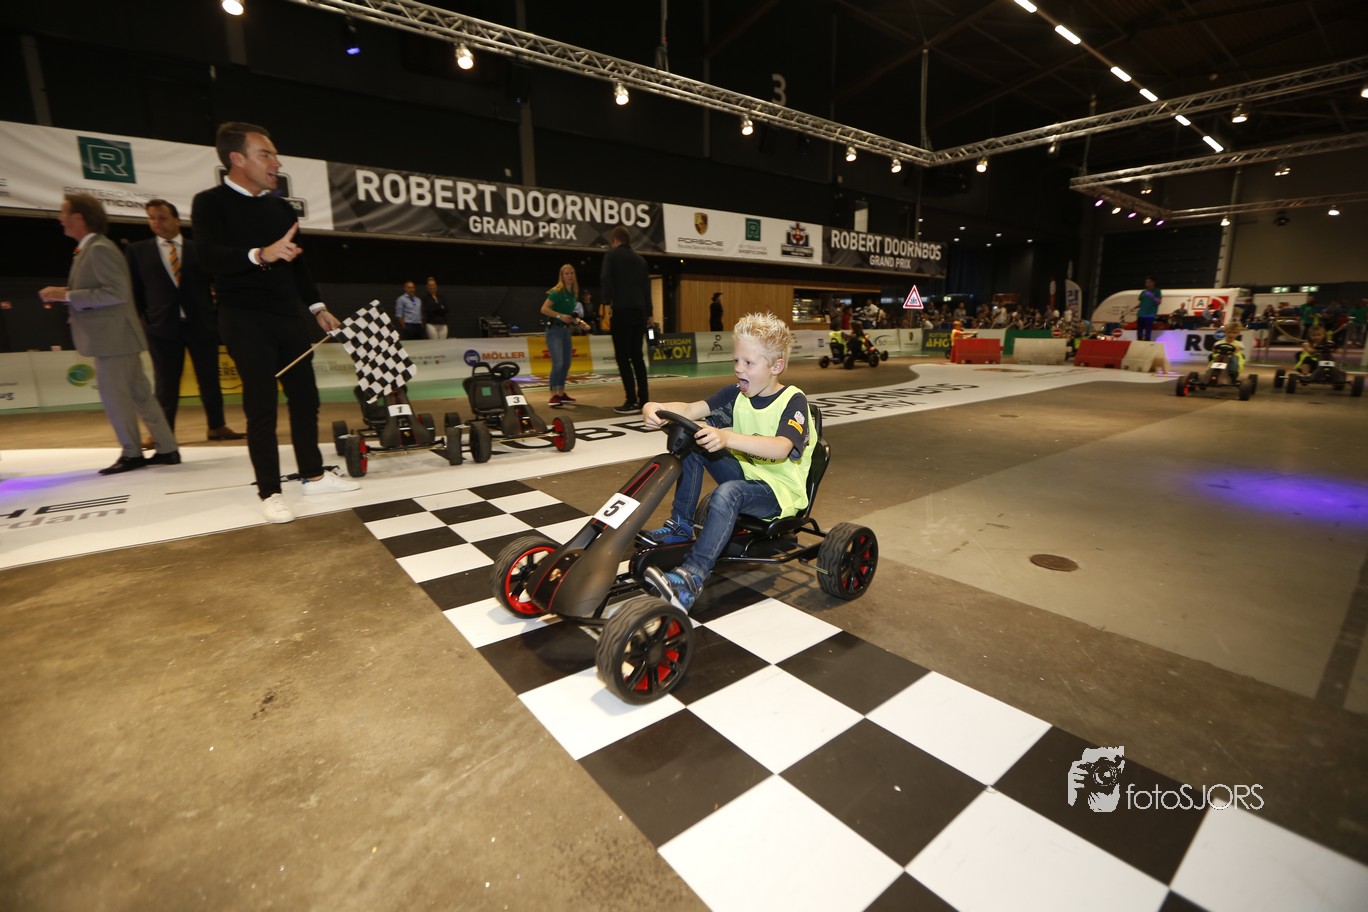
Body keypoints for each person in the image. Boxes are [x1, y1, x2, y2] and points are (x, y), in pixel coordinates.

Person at [190, 121, 358, 524]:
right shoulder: (210, 203)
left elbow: (298, 266)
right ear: (237, 159)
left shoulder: (280, 208)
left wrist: (317, 308)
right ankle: (270, 491)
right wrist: (259, 255)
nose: (276, 163)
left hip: (288, 317)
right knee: (261, 405)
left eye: (274, 155)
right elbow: (208, 257)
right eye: (265, 154)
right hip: (243, 318)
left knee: (306, 399)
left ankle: (313, 476)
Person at [638, 312, 815, 612]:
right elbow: (692, 409)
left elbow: (781, 448)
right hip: (746, 476)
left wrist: (727, 437)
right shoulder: (737, 394)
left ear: (776, 366)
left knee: (728, 493)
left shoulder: (793, 401)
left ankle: (692, 576)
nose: (738, 368)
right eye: (736, 360)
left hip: (779, 492)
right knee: (695, 443)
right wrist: (655, 406)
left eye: (748, 363)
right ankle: (681, 526)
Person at [39, 193, 180, 475]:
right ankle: (167, 449)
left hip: (113, 340)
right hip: (117, 338)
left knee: (117, 398)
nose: (60, 219)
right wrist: (67, 294)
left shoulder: (99, 249)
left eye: (64, 213)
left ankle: (132, 453)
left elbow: (115, 293)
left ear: (79, 218)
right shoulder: (92, 248)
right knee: (141, 395)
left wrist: (66, 295)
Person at [126, 198, 243, 444]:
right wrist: (144, 321)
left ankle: (217, 426)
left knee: (209, 378)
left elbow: (217, 284)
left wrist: (215, 314)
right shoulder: (137, 251)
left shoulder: (198, 249)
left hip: (201, 324)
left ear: (177, 220)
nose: (156, 222)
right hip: (161, 327)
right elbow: (135, 292)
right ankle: (162, 433)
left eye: (162, 217)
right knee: (165, 383)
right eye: (152, 218)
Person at [600, 225, 651, 413]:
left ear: (615, 241)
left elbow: (606, 279)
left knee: (623, 357)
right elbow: (647, 289)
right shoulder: (640, 260)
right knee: (637, 356)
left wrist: (606, 303)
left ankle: (631, 400)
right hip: (639, 313)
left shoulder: (611, 256)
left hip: (621, 311)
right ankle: (644, 399)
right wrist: (649, 313)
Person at [539, 263, 588, 407]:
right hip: (554, 331)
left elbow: (571, 316)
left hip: (566, 331)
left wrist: (580, 322)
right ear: (562, 276)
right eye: (566, 273)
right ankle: (553, 395)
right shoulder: (557, 291)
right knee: (558, 363)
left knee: (566, 364)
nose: (569, 276)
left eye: (571, 273)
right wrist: (559, 316)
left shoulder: (573, 293)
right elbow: (544, 309)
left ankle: (561, 393)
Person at [1136, 277, 1161, 341]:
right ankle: (1139, 342)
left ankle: (1147, 342)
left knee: (1148, 332)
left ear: (1153, 282)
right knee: (1139, 332)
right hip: (1141, 314)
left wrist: (1152, 296)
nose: (1147, 284)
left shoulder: (1157, 291)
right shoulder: (1143, 292)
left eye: (1149, 282)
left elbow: (1158, 302)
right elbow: (1141, 302)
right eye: (1146, 282)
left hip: (1150, 314)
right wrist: (1136, 306)